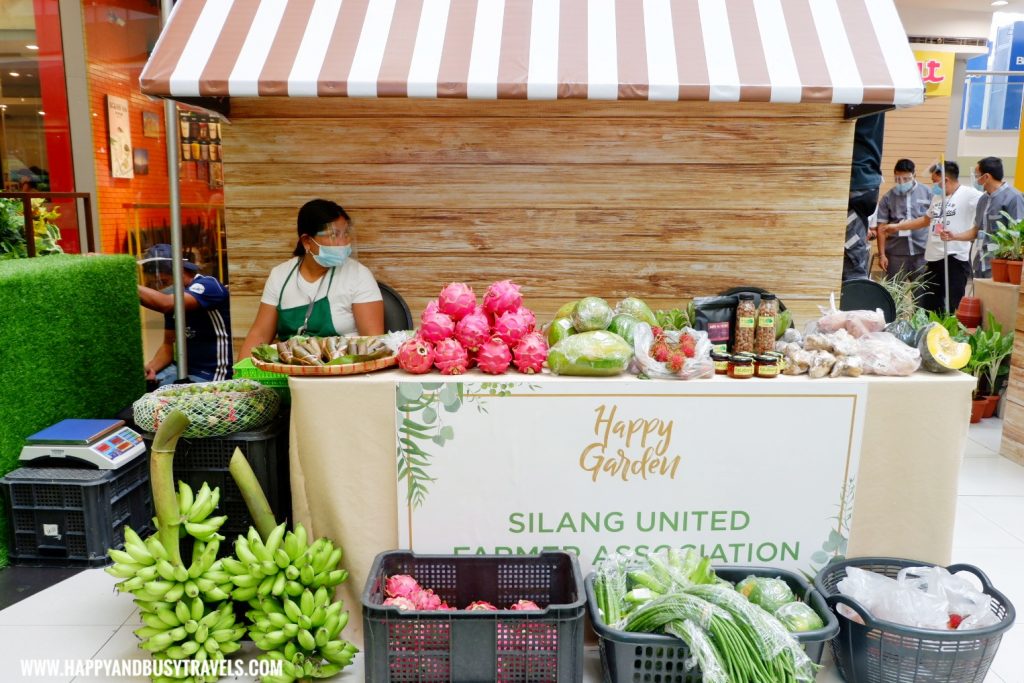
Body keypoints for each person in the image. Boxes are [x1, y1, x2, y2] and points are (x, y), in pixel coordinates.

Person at [239, 199, 384, 359]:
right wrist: (241, 376)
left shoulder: (359, 275)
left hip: (344, 371)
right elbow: (259, 335)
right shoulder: (280, 276)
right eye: (334, 235)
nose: (343, 242)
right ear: (307, 241)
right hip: (291, 372)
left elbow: (373, 343)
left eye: (345, 234)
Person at [886, 162, 981, 313]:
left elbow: (989, 202)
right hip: (933, 257)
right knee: (930, 303)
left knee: (953, 303)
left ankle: (951, 332)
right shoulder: (937, 198)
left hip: (953, 257)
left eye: (934, 181)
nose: (933, 185)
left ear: (945, 180)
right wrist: (898, 226)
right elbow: (925, 220)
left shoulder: (969, 194)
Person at [138, 244, 233, 385]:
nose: (161, 288)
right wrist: (149, 370)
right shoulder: (173, 299)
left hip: (211, 373)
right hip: (183, 368)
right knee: (142, 387)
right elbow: (167, 346)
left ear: (180, 270)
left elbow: (165, 303)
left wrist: (124, 280)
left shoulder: (208, 286)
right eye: (155, 284)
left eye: (164, 282)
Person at [938, 157, 1024, 278]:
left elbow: (1019, 236)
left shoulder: (1014, 197)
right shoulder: (983, 199)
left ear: (986, 177)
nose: (975, 179)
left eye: (977, 175)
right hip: (981, 263)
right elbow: (976, 230)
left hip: (1001, 266)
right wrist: (954, 236)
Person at [844, 113, 885, 281]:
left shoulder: (860, 93)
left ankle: (857, 296)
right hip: (865, 180)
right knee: (853, 250)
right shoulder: (879, 95)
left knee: (852, 260)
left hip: (855, 178)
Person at [875, 159, 931, 277]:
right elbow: (881, 228)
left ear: (914, 175)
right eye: (898, 179)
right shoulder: (888, 198)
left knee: (921, 293)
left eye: (906, 179)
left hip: (922, 252)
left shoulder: (927, 193)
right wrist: (882, 255)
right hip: (896, 253)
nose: (901, 182)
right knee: (894, 292)